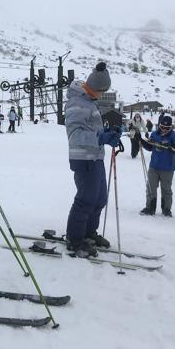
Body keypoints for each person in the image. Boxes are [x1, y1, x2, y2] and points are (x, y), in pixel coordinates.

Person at [64, 62, 120, 258]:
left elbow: (91, 129)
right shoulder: (77, 102)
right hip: (83, 159)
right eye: (102, 90)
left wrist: (108, 133)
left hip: (95, 157)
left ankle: (88, 233)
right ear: (95, 87)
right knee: (86, 200)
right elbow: (75, 135)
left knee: (99, 199)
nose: (102, 94)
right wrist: (100, 138)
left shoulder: (89, 101)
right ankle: (75, 238)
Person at [139, 116, 175, 217]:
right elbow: (150, 147)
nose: (164, 129)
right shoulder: (154, 134)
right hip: (154, 166)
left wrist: (173, 148)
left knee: (166, 189)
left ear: (171, 127)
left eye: (167, 128)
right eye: (162, 127)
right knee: (150, 188)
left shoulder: (174, 137)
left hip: (167, 168)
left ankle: (166, 209)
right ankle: (150, 207)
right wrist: (142, 142)